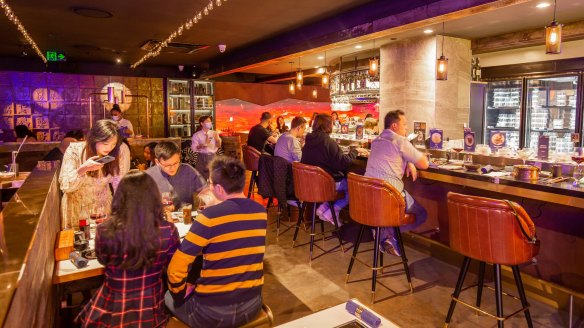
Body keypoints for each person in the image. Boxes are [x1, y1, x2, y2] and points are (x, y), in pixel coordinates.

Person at [165, 156, 267, 328]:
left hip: (212, 315)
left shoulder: (208, 217)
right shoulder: (260, 211)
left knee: (167, 296)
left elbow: (175, 270)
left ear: (219, 188)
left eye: (210, 183)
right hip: (252, 306)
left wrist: (181, 293)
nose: (209, 186)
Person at [77, 171, 180, 327]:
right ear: (154, 197)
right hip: (150, 305)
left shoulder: (104, 230)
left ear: (120, 198)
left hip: (112, 305)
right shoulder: (168, 230)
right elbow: (173, 264)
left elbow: (102, 259)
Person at [365, 110, 429, 256]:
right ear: (394, 126)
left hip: (368, 196)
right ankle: (387, 235)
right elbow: (424, 164)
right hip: (389, 195)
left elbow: (392, 156)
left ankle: (381, 232)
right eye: (404, 124)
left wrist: (408, 162)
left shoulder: (376, 141)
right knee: (421, 214)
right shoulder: (400, 141)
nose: (407, 128)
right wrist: (412, 160)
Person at [59, 119, 130, 230]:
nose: (109, 148)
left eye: (113, 144)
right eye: (105, 143)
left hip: (102, 209)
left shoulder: (114, 154)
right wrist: (83, 169)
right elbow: (65, 186)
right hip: (77, 210)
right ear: (94, 139)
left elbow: (118, 182)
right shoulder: (75, 150)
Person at [301, 114, 365, 225]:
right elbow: (342, 163)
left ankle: (323, 208)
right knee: (353, 188)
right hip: (326, 185)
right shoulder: (328, 142)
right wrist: (355, 151)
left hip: (310, 185)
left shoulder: (308, 140)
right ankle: (332, 211)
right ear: (328, 125)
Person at [146, 141, 214, 209]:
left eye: (176, 163)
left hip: (185, 216)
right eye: (167, 165)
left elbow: (206, 192)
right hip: (159, 217)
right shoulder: (148, 176)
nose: (172, 168)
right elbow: (142, 204)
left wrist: (210, 202)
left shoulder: (188, 170)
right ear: (157, 162)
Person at [191, 116, 221, 180]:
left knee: (213, 177)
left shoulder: (214, 133)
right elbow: (193, 148)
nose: (209, 123)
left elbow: (219, 146)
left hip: (212, 157)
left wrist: (217, 140)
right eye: (207, 121)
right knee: (200, 177)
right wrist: (201, 146)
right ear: (202, 123)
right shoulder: (196, 135)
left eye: (210, 121)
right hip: (201, 157)